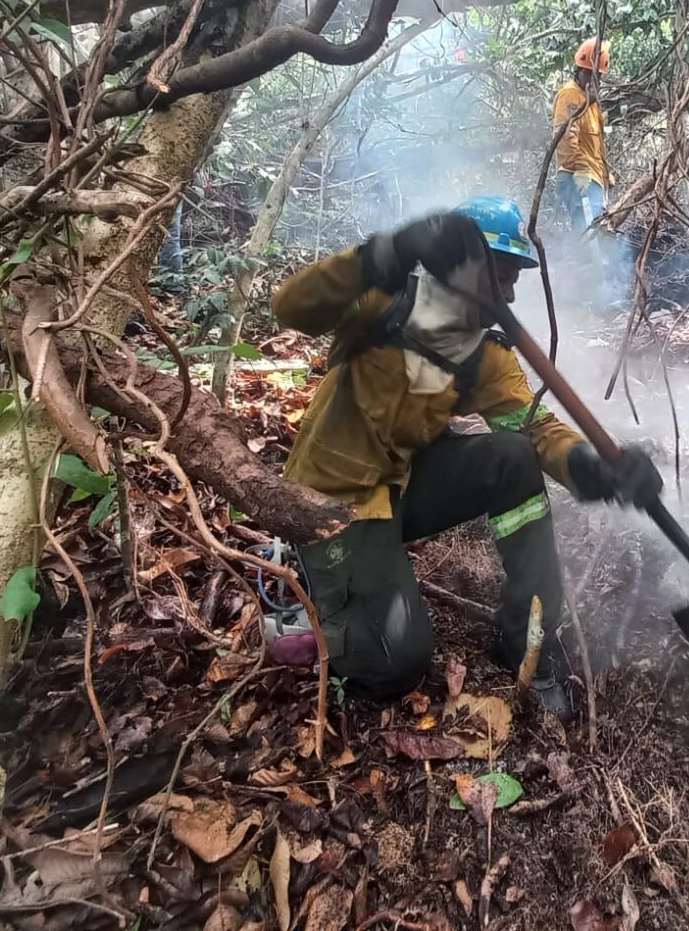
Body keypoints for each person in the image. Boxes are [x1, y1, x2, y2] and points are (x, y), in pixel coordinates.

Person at [268, 196, 663, 722]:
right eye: (499, 273)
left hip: (400, 491)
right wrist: (383, 253)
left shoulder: (483, 353)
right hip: (329, 500)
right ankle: (304, 612)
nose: (508, 291)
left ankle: (526, 642)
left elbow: (535, 428)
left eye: (514, 276)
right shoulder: (384, 302)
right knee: (398, 662)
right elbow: (289, 307)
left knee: (512, 456)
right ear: (454, 268)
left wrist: (591, 467)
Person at [552, 38, 610, 233]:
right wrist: (581, 169)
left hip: (591, 178)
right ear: (583, 71)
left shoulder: (589, 101)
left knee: (596, 236)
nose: (597, 81)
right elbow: (566, 137)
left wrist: (605, 176)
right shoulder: (570, 96)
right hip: (577, 178)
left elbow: (594, 145)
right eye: (594, 75)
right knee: (587, 237)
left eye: (599, 77)